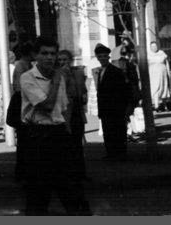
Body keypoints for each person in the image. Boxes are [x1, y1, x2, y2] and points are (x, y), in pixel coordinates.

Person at [17, 38, 90, 215]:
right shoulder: (28, 78)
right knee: (39, 191)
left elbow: (64, 107)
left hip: (59, 133)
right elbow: (47, 106)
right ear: (35, 55)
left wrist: (68, 134)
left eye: (52, 53)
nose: (49, 58)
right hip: (38, 135)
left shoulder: (59, 78)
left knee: (70, 187)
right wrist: (57, 80)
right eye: (44, 53)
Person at [92, 43, 132, 161]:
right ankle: (110, 154)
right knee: (107, 132)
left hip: (116, 108)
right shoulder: (99, 72)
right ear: (97, 58)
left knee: (118, 131)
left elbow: (123, 90)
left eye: (105, 56)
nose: (103, 58)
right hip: (105, 108)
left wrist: (124, 107)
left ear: (108, 57)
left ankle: (120, 155)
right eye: (100, 56)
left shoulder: (116, 71)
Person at [57, 48, 88, 180]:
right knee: (67, 145)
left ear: (70, 60)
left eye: (65, 59)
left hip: (77, 111)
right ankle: (69, 174)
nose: (63, 62)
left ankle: (80, 173)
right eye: (60, 60)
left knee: (78, 144)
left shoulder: (78, 72)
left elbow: (83, 90)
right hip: (65, 112)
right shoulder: (57, 74)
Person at [147, 41, 169, 111]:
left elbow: (167, 63)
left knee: (163, 88)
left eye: (155, 46)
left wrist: (168, 72)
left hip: (162, 73)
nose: (154, 48)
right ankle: (156, 106)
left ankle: (165, 105)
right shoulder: (148, 54)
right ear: (150, 47)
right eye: (152, 46)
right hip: (153, 73)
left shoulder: (162, 53)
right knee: (155, 88)